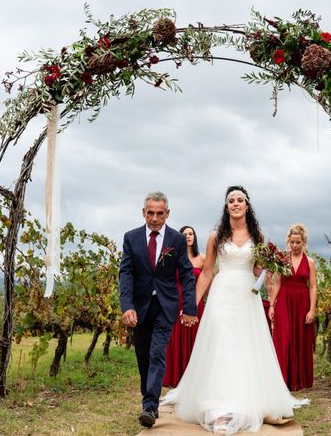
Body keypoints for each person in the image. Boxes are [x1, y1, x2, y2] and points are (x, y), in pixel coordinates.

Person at [161, 186, 308, 435]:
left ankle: (246, 399)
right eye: (231, 200)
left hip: (246, 295)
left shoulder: (258, 236)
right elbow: (207, 272)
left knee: (246, 345)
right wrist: (191, 305)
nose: (236, 203)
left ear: (247, 206)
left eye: (240, 200)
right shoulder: (215, 236)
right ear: (226, 206)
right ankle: (219, 406)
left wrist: (271, 269)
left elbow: (257, 270)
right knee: (220, 344)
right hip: (221, 294)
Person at [119, 191, 199, 429]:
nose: (154, 218)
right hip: (140, 306)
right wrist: (127, 306)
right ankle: (148, 396)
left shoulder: (176, 240)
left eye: (160, 213)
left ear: (167, 213)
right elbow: (126, 273)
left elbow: (186, 273)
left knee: (156, 352)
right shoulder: (131, 238)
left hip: (166, 306)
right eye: (150, 213)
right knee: (143, 356)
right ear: (144, 212)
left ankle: (151, 406)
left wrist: (189, 307)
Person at [268, 223, 317, 391]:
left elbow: (312, 287)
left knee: (300, 338)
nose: (294, 245)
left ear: (304, 242)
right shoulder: (282, 259)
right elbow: (277, 283)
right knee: (285, 337)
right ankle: (282, 380)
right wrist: (272, 305)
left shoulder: (310, 262)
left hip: (302, 302)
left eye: (298, 242)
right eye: (292, 242)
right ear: (288, 241)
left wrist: (312, 309)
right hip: (284, 301)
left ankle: (299, 380)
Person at [163, 225, 206, 387]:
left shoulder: (202, 258)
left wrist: (199, 299)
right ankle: (175, 376)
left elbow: (208, 280)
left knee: (196, 339)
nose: (188, 236)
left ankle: (195, 378)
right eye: (184, 234)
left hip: (195, 302)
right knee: (175, 338)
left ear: (194, 237)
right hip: (176, 301)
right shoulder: (173, 256)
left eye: (190, 234)